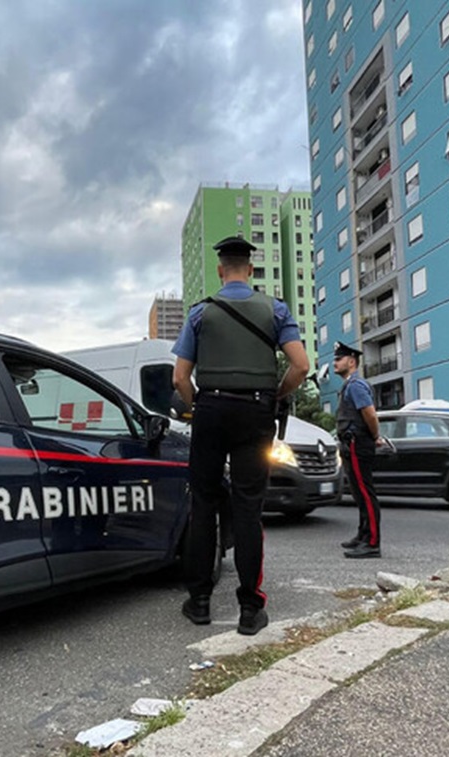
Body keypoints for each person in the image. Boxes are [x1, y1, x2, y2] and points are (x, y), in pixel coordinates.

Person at [172, 235, 310, 635]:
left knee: (203, 504)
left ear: (220, 270)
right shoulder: (275, 309)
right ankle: (250, 609)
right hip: (256, 411)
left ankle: (199, 602)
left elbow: (180, 377)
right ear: (250, 270)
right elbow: (300, 365)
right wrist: (276, 395)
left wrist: (198, 406)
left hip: (211, 410)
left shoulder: (200, 313)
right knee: (249, 507)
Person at [332, 341, 383, 558]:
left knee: (365, 492)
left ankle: (372, 543)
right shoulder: (349, 385)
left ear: (351, 362)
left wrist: (375, 436)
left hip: (357, 443)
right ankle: (363, 535)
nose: (334, 363)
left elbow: (369, 413)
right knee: (358, 493)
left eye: (339, 359)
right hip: (351, 444)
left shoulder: (356, 385)